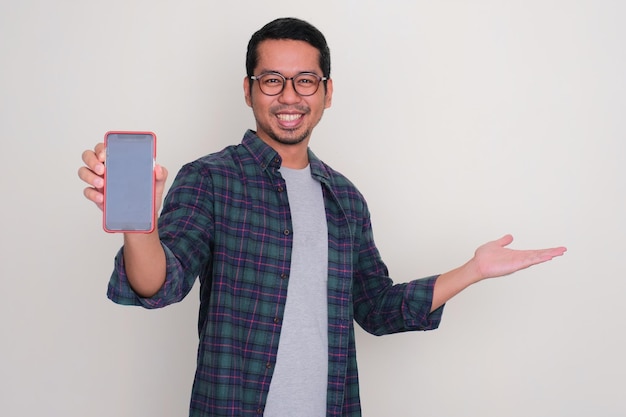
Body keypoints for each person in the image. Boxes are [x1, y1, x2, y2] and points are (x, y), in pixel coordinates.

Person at [78, 17, 566, 417]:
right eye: (272, 80)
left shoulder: (345, 198)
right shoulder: (210, 179)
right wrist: (139, 225)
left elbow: (376, 308)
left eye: (305, 80)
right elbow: (158, 285)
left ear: (327, 92)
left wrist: (474, 270)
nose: (289, 96)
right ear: (248, 90)